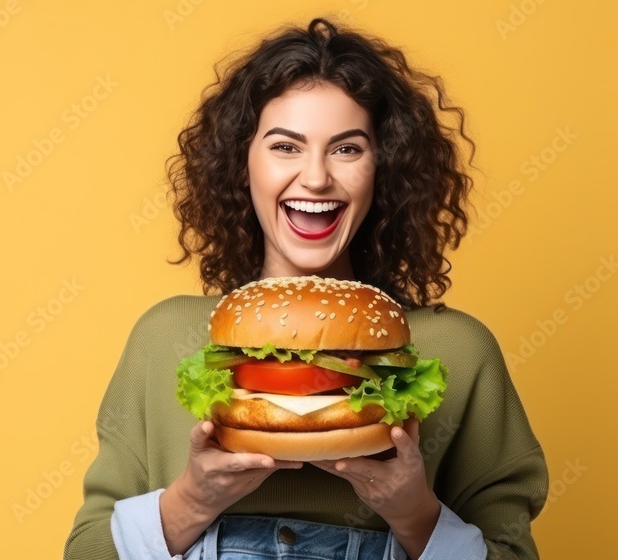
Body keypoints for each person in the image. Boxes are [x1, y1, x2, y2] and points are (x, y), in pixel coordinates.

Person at [64, 17, 548, 560]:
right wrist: (191, 502)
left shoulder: (460, 349)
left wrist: (414, 513)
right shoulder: (164, 338)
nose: (316, 178)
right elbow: (86, 552)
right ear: (241, 163)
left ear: (382, 168)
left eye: (347, 149)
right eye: (285, 147)